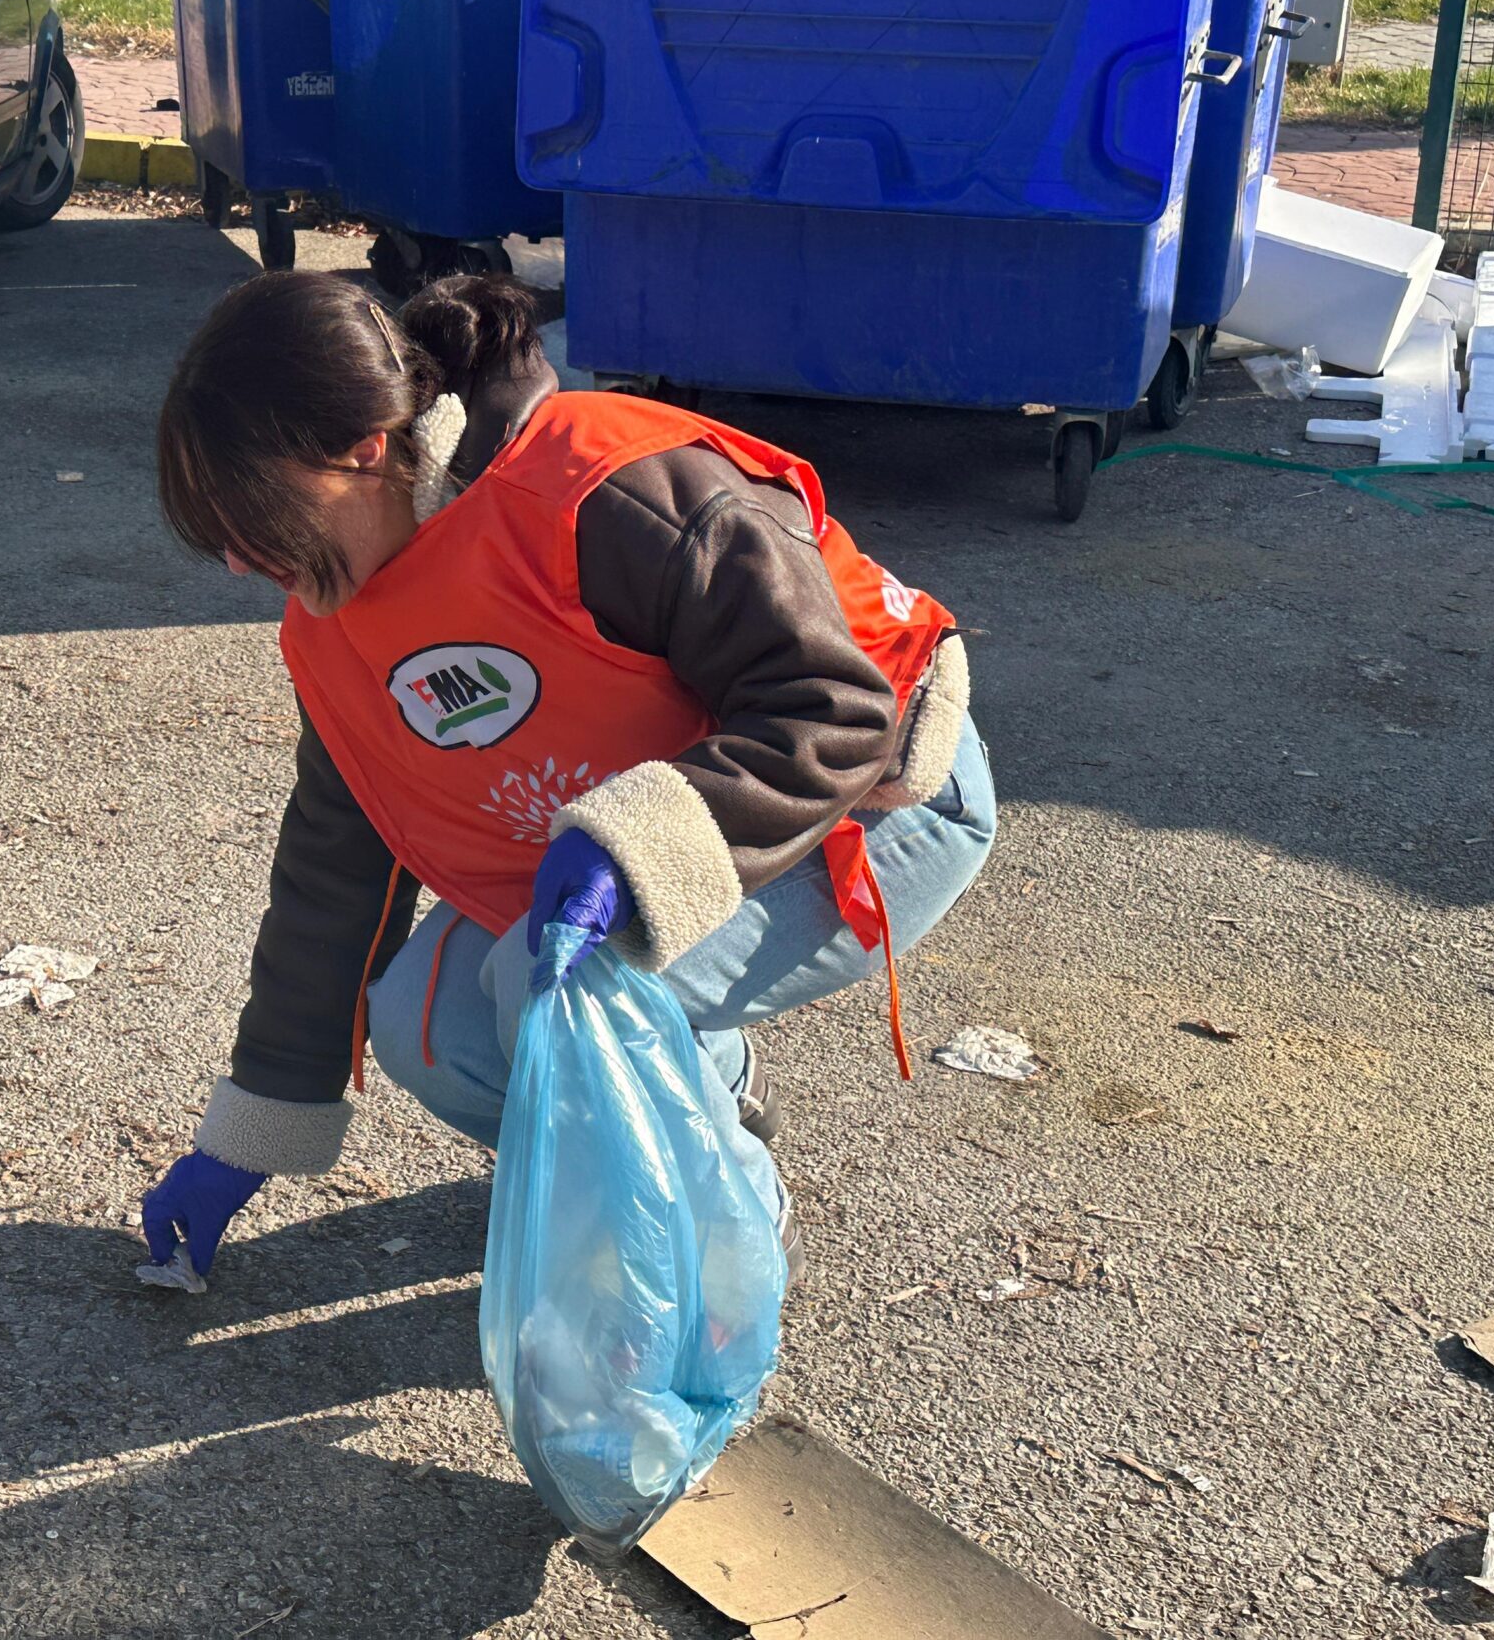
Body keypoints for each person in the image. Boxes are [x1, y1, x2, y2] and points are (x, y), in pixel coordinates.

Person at [141, 270, 993, 1282]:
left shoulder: (604, 490)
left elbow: (833, 713)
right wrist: (255, 1127)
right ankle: (703, 1104)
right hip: (654, 847)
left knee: (557, 998)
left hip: (867, 810)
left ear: (365, 450)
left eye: (255, 514)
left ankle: (727, 1242)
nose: (239, 560)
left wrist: (638, 849)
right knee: (430, 1022)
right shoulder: (335, 626)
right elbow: (338, 867)